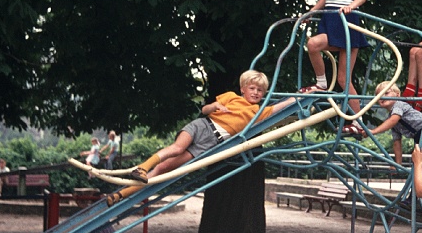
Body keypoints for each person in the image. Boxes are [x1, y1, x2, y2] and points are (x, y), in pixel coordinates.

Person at [108, 70, 298, 205]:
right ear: (243, 89)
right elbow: (205, 109)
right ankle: (142, 168)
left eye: (260, 90)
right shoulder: (231, 97)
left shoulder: (259, 111)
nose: (256, 93)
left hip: (211, 142)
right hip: (203, 126)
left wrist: (300, 95)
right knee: (177, 148)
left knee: (163, 168)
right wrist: (214, 107)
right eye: (252, 88)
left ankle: (119, 195)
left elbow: (280, 107)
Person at [299, 0, 369, 135]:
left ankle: (358, 122)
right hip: (331, 20)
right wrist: (311, 12)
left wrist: (350, 6)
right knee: (313, 44)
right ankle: (321, 83)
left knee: (344, 80)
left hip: (347, 21)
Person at [360, 81, 422, 214]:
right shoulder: (391, 118)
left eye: (386, 93)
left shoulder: (399, 105)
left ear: (397, 94)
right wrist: (397, 164)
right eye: (379, 95)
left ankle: (412, 199)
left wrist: (373, 131)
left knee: (418, 170)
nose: (382, 97)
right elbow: (396, 142)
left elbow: (393, 120)